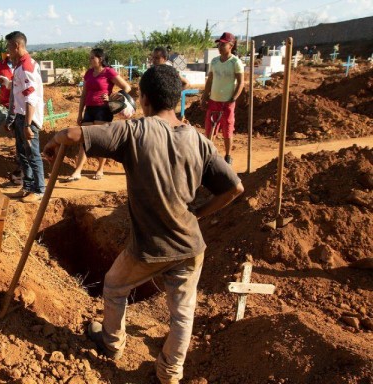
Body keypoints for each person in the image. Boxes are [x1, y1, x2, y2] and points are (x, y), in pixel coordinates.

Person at [43, 65, 244, 384]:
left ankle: (112, 343)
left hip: (149, 248)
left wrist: (54, 140)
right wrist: (201, 213)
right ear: (176, 99)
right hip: (190, 245)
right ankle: (170, 374)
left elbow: (73, 134)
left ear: (145, 98)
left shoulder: (135, 131)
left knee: (114, 286)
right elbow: (234, 188)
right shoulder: (199, 140)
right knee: (182, 314)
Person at [64, 48, 131, 182]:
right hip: (89, 109)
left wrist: (113, 96)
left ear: (100, 59)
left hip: (103, 109)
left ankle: (100, 169)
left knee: (101, 140)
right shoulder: (88, 73)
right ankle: (78, 171)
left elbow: (127, 87)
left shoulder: (108, 72)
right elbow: (84, 95)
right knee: (84, 139)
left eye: (92, 57)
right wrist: (79, 113)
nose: (89, 60)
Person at [5, 31, 45, 203]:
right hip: (21, 117)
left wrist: (28, 125)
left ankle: (39, 190)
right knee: (23, 155)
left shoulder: (26, 67)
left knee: (33, 155)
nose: (7, 51)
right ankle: (27, 187)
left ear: (16, 46)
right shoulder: (20, 66)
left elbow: (31, 98)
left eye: (8, 47)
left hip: (29, 119)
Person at [200, 32, 244, 165]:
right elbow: (210, 80)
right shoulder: (214, 61)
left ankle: (228, 156)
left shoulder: (235, 62)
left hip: (228, 102)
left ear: (231, 45)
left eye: (223, 44)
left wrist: (233, 98)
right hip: (214, 100)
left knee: (227, 128)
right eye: (219, 44)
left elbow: (241, 82)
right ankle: (209, 154)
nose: (220, 46)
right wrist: (205, 96)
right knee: (209, 128)